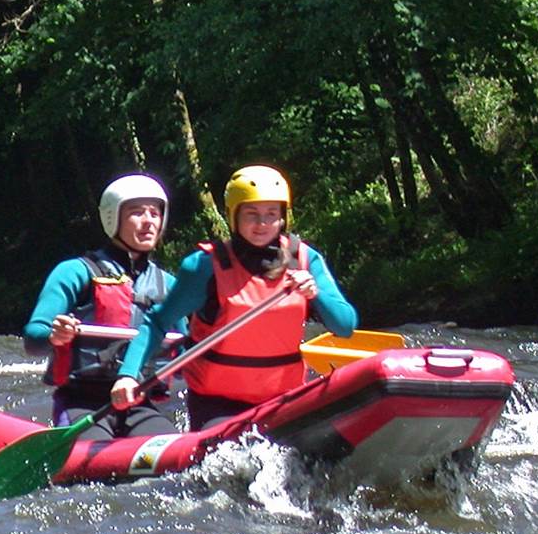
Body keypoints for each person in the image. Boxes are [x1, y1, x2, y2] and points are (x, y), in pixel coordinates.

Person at [111, 164, 358, 431]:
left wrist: (316, 294)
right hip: (217, 404)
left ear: (283, 217)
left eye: (271, 214)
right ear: (234, 216)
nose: (262, 224)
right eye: (251, 214)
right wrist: (127, 375)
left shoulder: (305, 260)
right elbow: (157, 322)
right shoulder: (204, 267)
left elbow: (345, 326)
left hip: (284, 399)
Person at [22, 173, 180, 438]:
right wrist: (55, 335)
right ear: (112, 217)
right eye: (136, 212)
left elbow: (189, 348)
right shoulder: (75, 272)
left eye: (155, 213)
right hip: (81, 404)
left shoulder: (169, 285)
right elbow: (33, 340)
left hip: (139, 403)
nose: (148, 221)